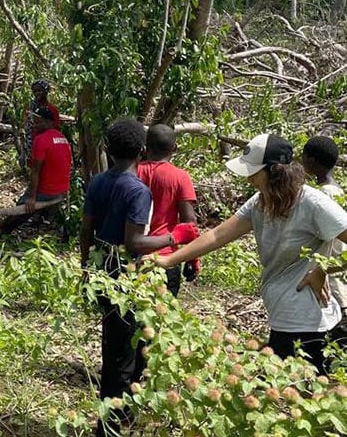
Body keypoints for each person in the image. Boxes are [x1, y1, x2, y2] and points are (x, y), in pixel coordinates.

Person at [154, 134, 347, 374]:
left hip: (307, 321)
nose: (248, 178)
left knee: (297, 395)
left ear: (275, 172)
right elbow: (217, 235)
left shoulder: (313, 202)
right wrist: (168, 260)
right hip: (283, 316)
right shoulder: (261, 201)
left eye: (253, 172)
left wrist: (323, 269)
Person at [80, 118, 199, 437]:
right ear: (142, 150)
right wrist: (176, 238)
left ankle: (114, 419)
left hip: (104, 270)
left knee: (115, 348)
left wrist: (85, 271)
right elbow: (135, 242)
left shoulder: (98, 182)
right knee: (131, 351)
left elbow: (85, 230)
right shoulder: (140, 190)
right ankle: (114, 425)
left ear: (108, 149)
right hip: (132, 274)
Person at [137, 124, 199, 296]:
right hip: (165, 257)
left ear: (145, 147)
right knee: (162, 317)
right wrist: (192, 259)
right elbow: (189, 222)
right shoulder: (180, 177)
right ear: (175, 148)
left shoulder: (133, 173)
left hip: (133, 255)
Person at [0, 107, 72, 234]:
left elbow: (35, 171)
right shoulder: (62, 138)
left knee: (23, 205)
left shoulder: (41, 140)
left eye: (38, 122)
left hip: (48, 191)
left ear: (49, 122)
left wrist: (32, 197)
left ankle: (3, 229)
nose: (35, 126)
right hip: (62, 189)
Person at [301, 136, 347, 331]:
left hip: (330, 271)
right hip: (332, 268)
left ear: (311, 161)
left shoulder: (325, 194)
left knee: (337, 324)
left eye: (303, 157)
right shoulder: (335, 189)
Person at [22, 79, 61, 168]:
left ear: (46, 91)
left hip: (48, 145)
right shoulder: (30, 108)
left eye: (39, 90)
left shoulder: (52, 109)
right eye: (35, 91)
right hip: (33, 143)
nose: (37, 94)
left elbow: (56, 127)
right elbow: (26, 127)